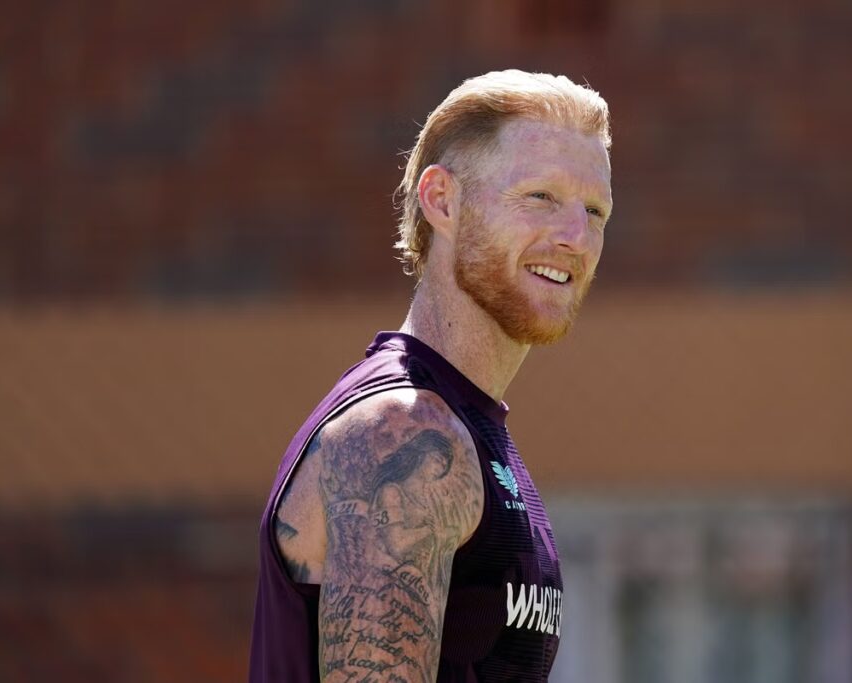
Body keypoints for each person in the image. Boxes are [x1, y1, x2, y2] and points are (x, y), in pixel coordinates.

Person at [249, 69, 613, 682]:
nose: (576, 236)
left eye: (596, 210)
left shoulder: (470, 429)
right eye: (540, 197)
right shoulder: (401, 431)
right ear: (442, 200)